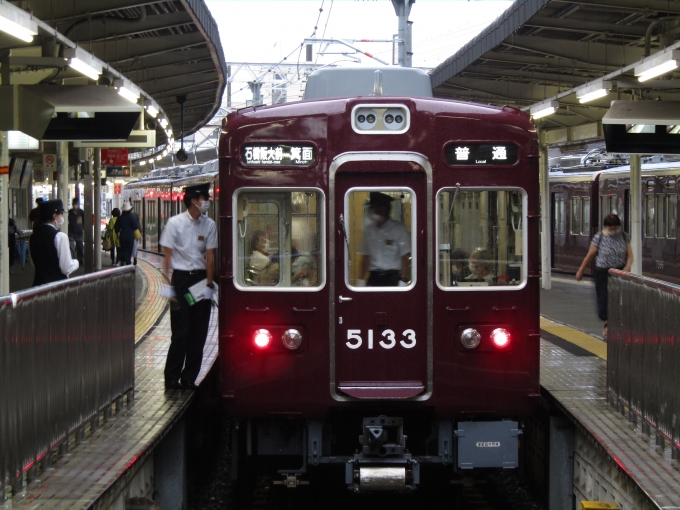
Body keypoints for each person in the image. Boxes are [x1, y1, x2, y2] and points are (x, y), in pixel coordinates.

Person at [160, 183, 217, 390]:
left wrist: (210, 285)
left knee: (199, 332)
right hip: (182, 281)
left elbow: (210, 257)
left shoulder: (209, 225)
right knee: (181, 332)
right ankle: (172, 376)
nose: (207, 202)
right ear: (194, 201)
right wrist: (168, 286)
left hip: (200, 280)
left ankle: (189, 377)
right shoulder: (174, 224)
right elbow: (168, 256)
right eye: (205, 198)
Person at [576, 213, 633, 338]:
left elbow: (630, 255)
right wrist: (581, 270)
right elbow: (590, 255)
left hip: (619, 272)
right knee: (604, 298)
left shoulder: (624, 236)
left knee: (619, 298)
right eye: (610, 228)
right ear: (606, 227)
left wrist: (628, 266)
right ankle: (607, 324)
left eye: (615, 228)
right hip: (603, 272)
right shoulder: (599, 237)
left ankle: (617, 324)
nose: (613, 231)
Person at [357, 192, 411, 287]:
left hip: (391, 278)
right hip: (373, 278)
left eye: (378, 207)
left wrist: (403, 279)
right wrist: (360, 280)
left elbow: (405, 257)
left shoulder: (398, 229)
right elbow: (366, 258)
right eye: (373, 208)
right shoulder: (369, 230)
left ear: (386, 208)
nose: (376, 211)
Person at [29, 199, 79, 286]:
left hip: (37, 286)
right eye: (61, 214)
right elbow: (66, 268)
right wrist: (76, 262)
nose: (62, 217)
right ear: (54, 216)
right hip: (57, 287)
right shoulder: (60, 237)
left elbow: (33, 263)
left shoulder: (33, 237)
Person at [68, 197, 85, 265]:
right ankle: (73, 260)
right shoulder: (69, 212)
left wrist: (83, 228)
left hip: (79, 232)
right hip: (71, 231)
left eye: (77, 203)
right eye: (74, 203)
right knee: (71, 247)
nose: (75, 205)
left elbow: (85, 221)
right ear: (72, 204)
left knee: (80, 246)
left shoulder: (81, 212)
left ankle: (81, 259)